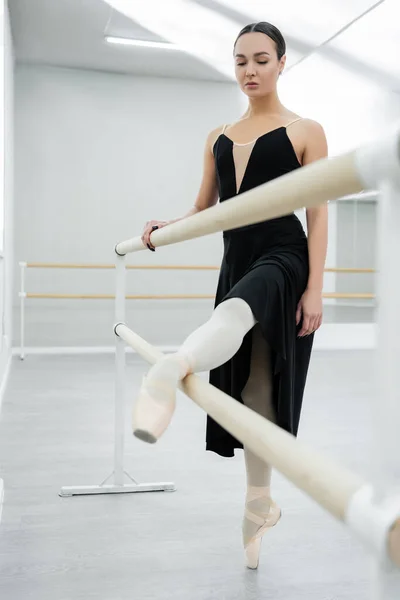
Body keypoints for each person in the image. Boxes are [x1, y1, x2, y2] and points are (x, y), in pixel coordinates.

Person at [135, 21, 328, 569]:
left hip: (284, 256)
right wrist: (165, 226)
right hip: (237, 258)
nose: (250, 70)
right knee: (255, 388)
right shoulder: (217, 135)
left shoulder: (305, 130)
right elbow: (204, 208)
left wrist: (314, 288)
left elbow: (319, 216)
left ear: (282, 63)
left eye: (262, 59)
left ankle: (173, 367)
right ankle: (258, 504)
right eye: (241, 60)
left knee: (235, 314)